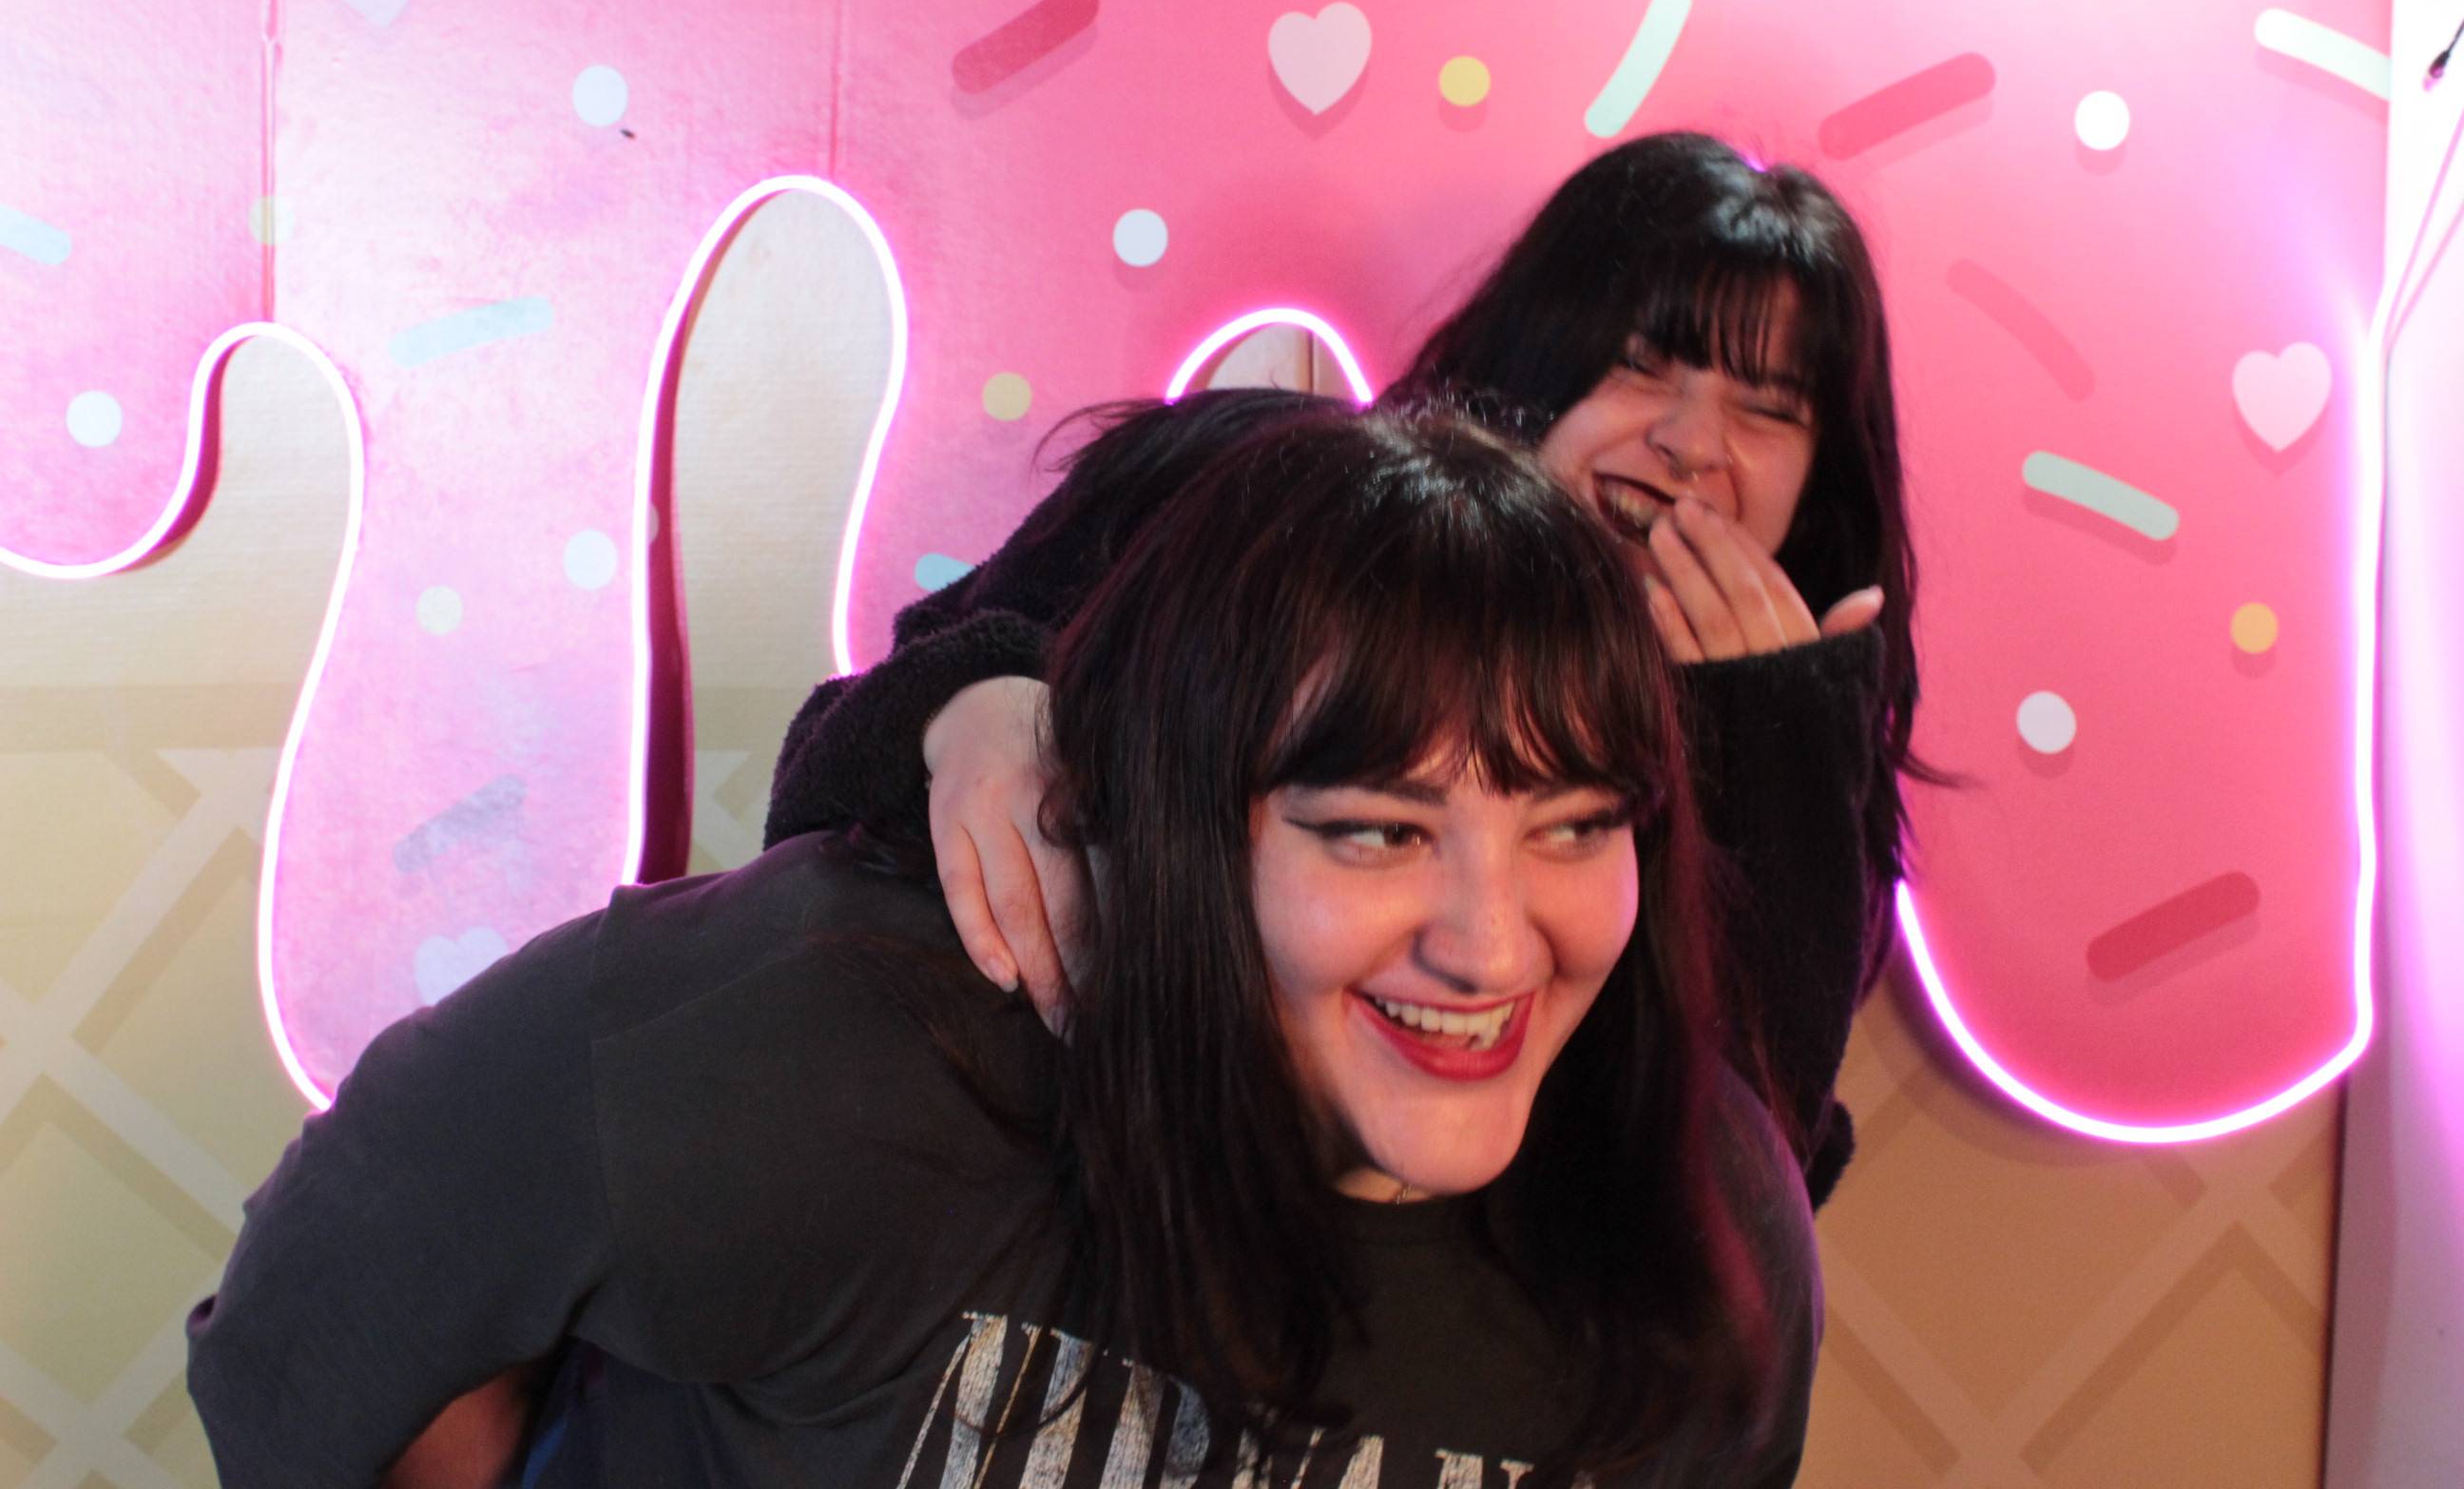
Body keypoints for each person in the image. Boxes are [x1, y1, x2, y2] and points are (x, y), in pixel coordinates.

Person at [186, 409, 1819, 1487]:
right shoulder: (827, 1046)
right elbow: (312, 1328)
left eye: (1574, 825)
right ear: (1182, 829)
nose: (1490, 944)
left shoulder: (1710, 1237)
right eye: (1377, 832)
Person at [763, 131, 1923, 1206]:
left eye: (1767, 411)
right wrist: (977, 704)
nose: (1692, 443)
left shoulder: (1795, 751)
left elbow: (1736, 1206)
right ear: (1537, 356)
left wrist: (1781, 737)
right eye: (1642, 365)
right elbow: (829, 774)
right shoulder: (1251, 500)